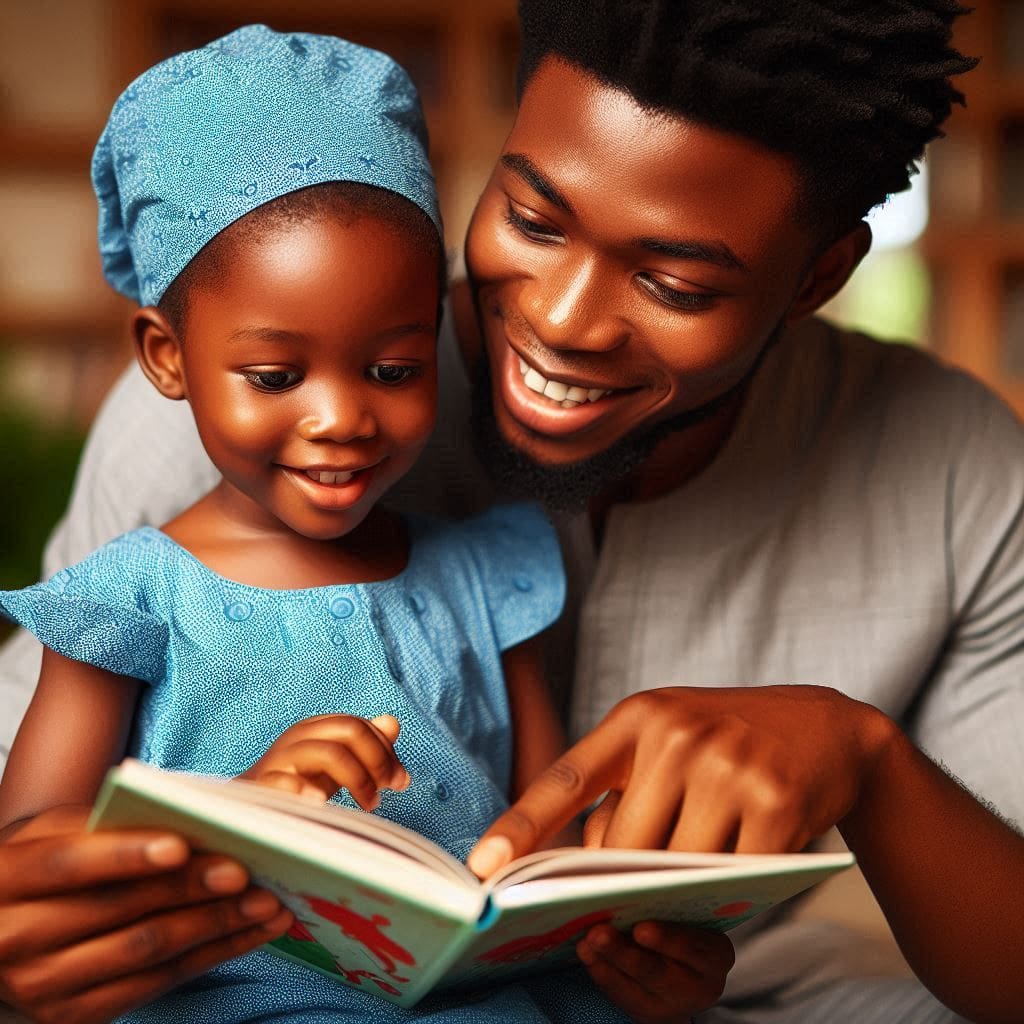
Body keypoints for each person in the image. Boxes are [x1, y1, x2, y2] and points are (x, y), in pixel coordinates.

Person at [2, 1, 1023, 1022]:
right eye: (532, 219)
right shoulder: (210, 411)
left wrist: (869, 762)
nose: (561, 323)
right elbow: (35, 837)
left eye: (672, 282)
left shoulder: (956, 472)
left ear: (818, 276)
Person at [0, 24, 731, 1024]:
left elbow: (547, 840)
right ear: (166, 357)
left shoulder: (487, 574)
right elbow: (31, 861)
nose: (341, 417)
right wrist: (238, 818)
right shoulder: (127, 600)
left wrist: (631, 940)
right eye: (275, 376)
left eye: (393, 368)